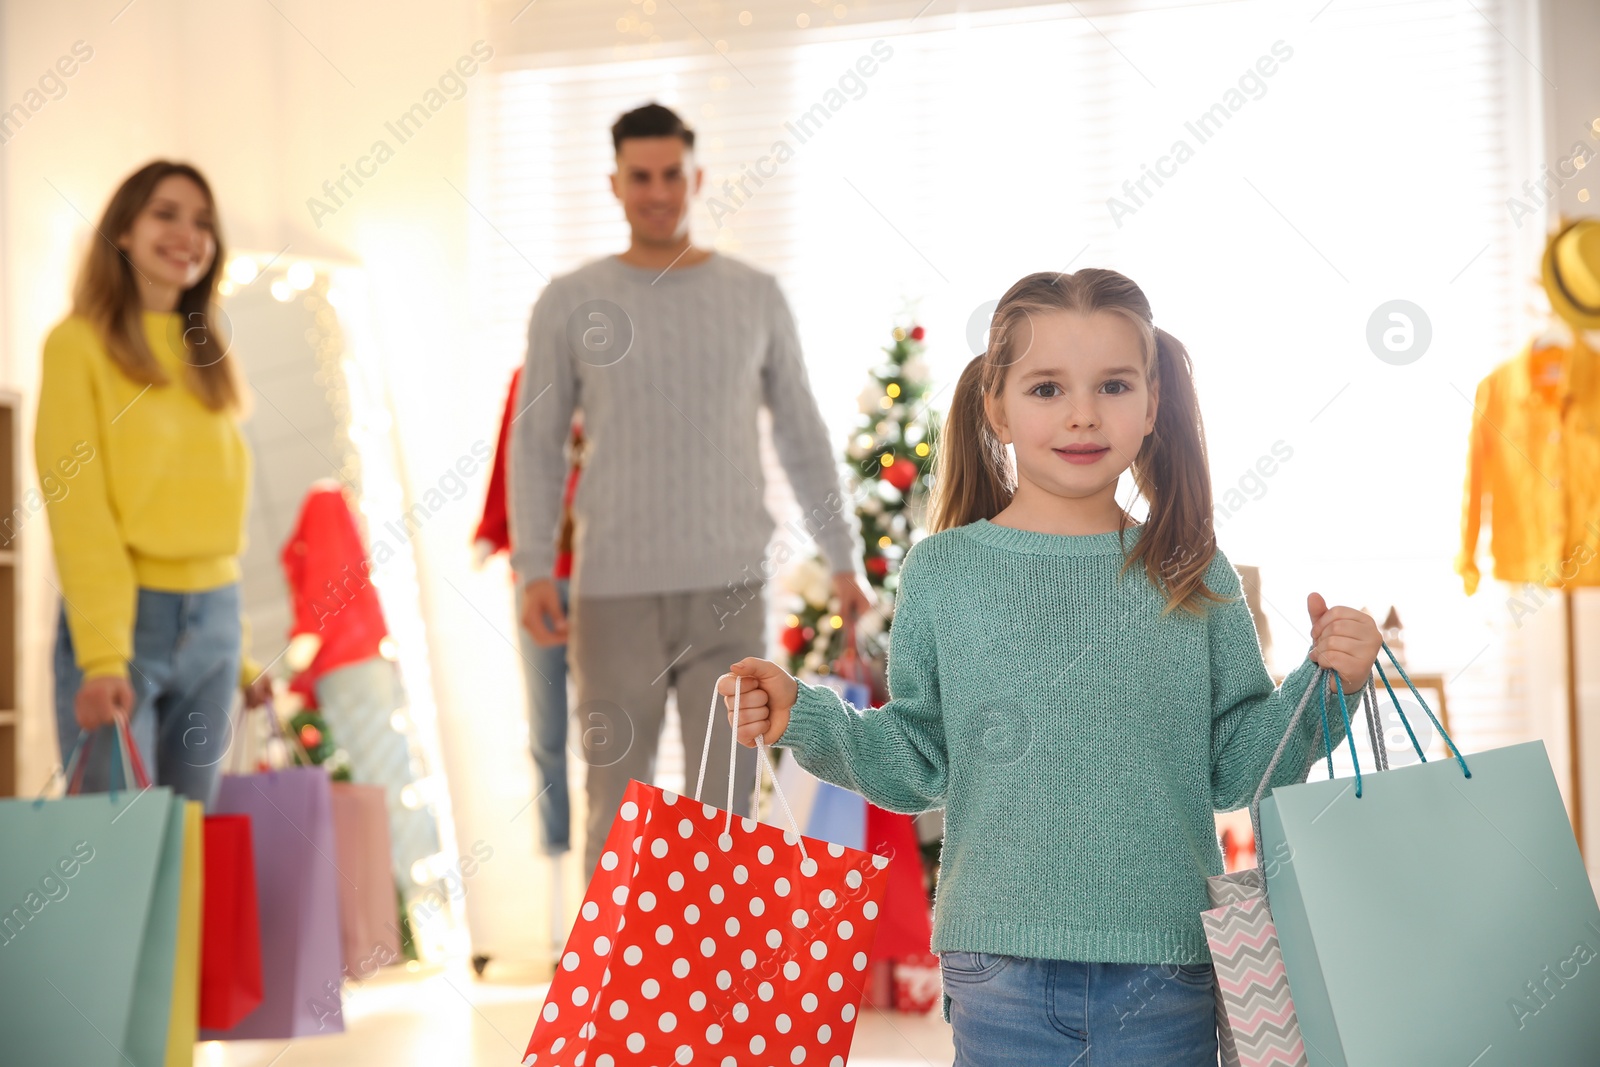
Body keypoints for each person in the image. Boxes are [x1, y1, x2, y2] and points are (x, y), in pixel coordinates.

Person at [717, 268, 1382, 1064]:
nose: (1081, 413)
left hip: (1167, 965)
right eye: (1045, 388)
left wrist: (1325, 687)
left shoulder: (1194, 570)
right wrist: (806, 714)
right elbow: (920, 758)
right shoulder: (944, 571)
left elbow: (1237, 766)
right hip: (1000, 966)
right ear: (994, 405)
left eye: (1112, 384)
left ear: (1152, 404)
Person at [509, 102, 871, 881]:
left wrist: (845, 561)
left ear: (696, 177)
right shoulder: (570, 301)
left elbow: (802, 436)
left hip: (728, 587)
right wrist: (532, 567)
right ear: (615, 183)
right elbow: (534, 444)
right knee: (615, 804)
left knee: (725, 808)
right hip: (611, 594)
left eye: (672, 174)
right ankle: (612, 998)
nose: (658, 190)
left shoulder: (756, 295)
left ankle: (711, 1000)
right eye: (640, 176)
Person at [38, 160, 268, 804]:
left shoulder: (207, 349)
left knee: (190, 846)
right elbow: (77, 508)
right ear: (122, 231)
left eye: (203, 223)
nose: (187, 235)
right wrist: (104, 656)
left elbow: (213, 524)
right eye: (165, 214)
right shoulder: (77, 345)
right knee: (117, 848)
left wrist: (241, 655)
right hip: (127, 620)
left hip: (215, 622)